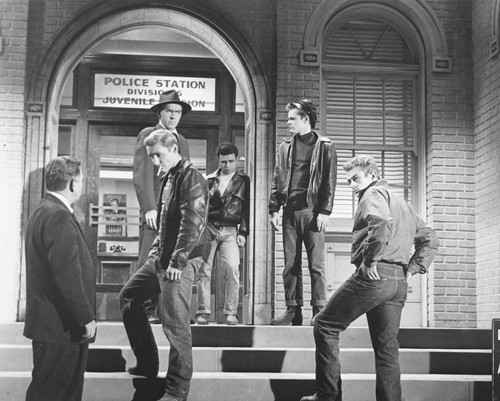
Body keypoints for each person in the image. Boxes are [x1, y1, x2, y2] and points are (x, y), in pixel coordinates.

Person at [301, 155, 440, 401]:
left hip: (375, 277)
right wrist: (412, 268)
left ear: (373, 176)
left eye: (356, 178)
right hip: (398, 282)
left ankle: (327, 396)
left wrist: (369, 260)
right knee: (387, 348)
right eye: (348, 181)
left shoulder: (372, 194)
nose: (352, 185)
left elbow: (381, 222)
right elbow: (430, 237)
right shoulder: (402, 204)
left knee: (324, 325)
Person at [119, 129, 208, 401]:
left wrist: (177, 261)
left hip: (180, 261)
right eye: (151, 157)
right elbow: (164, 222)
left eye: (158, 155)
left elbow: (192, 223)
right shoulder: (169, 177)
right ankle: (148, 364)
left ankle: (176, 392)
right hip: (161, 258)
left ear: (173, 149)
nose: (155, 161)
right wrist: (156, 250)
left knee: (175, 325)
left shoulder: (192, 177)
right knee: (129, 297)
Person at [24, 156, 97, 401]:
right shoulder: (58, 215)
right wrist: (86, 318)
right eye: (81, 180)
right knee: (59, 394)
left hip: (50, 326)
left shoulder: (42, 209)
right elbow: (67, 275)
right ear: (73, 184)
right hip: (62, 328)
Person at [269, 99, 337, 325]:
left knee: (316, 265)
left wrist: (325, 210)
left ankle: (319, 311)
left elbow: (330, 180)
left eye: (292, 119)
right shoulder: (285, 147)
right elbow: (277, 178)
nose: (288, 122)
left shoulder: (325, 146)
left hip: (313, 211)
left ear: (305, 119)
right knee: (291, 264)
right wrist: (274, 209)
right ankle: (293, 310)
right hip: (289, 212)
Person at [133, 90, 191, 323]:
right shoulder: (148, 134)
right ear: (160, 113)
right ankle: (145, 308)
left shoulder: (182, 141)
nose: (174, 116)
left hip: (176, 212)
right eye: (169, 111)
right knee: (150, 259)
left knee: (172, 259)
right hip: (155, 212)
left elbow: (185, 177)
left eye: (178, 112)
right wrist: (149, 207)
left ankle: (167, 311)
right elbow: (142, 174)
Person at [195, 143, 250, 325]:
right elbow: (200, 206)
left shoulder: (244, 181)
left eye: (231, 161)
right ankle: (203, 312)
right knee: (204, 270)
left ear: (237, 160)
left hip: (230, 229)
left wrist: (243, 232)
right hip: (209, 227)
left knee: (233, 269)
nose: (227, 165)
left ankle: (231, 313)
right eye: (223, 162)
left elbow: (246, 208)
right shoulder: (208, 180)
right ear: (218, 161)